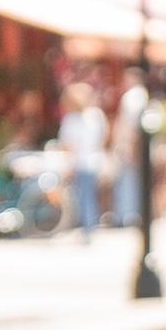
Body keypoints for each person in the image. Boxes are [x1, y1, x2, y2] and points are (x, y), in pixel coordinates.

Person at [58, 80, 107, 239]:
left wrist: (68, 165)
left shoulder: (71, 119)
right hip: (95, 160)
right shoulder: (96, 115)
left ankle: (87, 228)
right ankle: (91, 225)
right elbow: (104, 135)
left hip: (80, 162)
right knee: (91, 195)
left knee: (84, 196)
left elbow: (67, 145)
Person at [110, 64, 148, 229]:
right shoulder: (141, 95)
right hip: (132, 144)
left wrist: (129, 146)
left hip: (129, 145)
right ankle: (131, 214)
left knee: (127, 181)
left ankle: (127, 215)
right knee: (131, 180)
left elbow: (131, 125)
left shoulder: (133, 96)